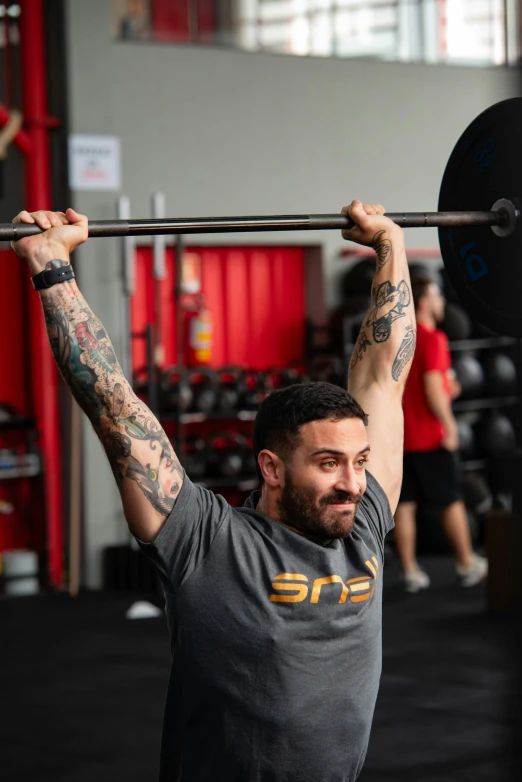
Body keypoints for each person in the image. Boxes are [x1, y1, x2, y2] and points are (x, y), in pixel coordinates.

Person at [12, 200, 415, 782]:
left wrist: (390, 246)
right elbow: (115, 407)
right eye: (329, 464)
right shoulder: (207, 542)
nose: (352, 484)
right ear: (271, 469)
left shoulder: (363, 522)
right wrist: (52, 266)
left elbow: (382, 375)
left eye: (359, 461)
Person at [393, 274, 488, 593]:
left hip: (402, 438)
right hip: (431, 437)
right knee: (451, 501)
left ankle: (410, 572)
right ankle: (466, 562)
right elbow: (433, 389)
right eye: (437, 296)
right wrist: (449, 425)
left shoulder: (400, 337)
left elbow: (424, 385)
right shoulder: (433, 338)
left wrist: (449, 388)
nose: (442, 301)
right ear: (423, 302)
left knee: (405, 505)